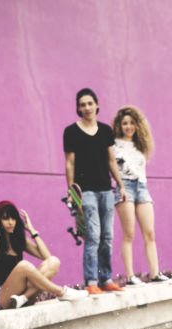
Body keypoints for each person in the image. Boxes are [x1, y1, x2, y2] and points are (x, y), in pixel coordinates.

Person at [63, 88, 128, 295]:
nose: (87, 107)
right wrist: (72, 194)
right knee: (93, 236)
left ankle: (105, 278)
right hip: (85, 192)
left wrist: (120, 185)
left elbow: (111, 160)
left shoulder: (106, 131)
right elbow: (69, 164)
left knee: (107, 236)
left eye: (90, 103)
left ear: (97, 105)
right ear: (78, 108)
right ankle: (91, 281)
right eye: (82, 104)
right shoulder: (71, 131)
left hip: (106, 191)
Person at [0, 201, 88, 308]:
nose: (11, 222)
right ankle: (61, 292)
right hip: (3, 297)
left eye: (13, 218)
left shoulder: (18, 240)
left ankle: (23, 298)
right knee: (24, 266)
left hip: (20, 297)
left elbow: (47, 258)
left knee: (54, 261)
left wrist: (32, 230)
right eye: (6, 218)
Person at [112, 105, 169, 285]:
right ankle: (130, 276)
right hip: (124, 186)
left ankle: (155, 273)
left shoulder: (140, 145)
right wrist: (119, 186)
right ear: (119, 126)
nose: (128, 126)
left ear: (137, 125)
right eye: (124, 123)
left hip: (142, 186)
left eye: (131, 123)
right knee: (129, 233)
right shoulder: (113, 145)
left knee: (149, 233)